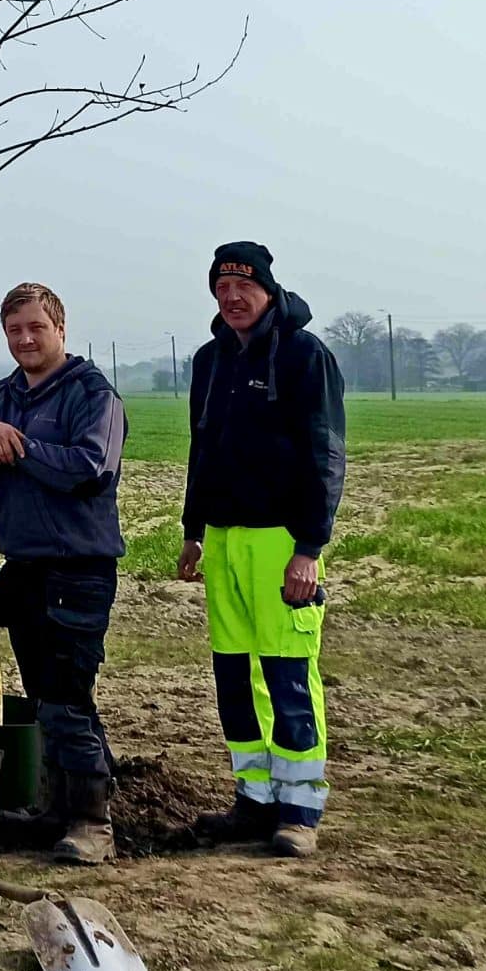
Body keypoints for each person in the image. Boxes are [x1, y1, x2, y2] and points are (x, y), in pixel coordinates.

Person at [176, 241, 347, 858]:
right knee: (235, 674)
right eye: (222, 289)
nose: (232, 298)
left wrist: (309, 547)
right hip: (222, 541)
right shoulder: (209, 360)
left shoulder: (305, 355)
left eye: (243, 287)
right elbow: (203, 448)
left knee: (287, 673)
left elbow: (325, 453)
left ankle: (300, 809)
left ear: (268, 290)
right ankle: (254, 799)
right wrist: (193, 530)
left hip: (281, 542)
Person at [0, 284, 128, 864]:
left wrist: (15, 446)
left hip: (76, 569)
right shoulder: (2, 396)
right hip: (23, 569)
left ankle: (91, 822)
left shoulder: (90, 394)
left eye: (35, 328)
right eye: (14, 331)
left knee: (66, 698)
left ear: (60, 329)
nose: (25, 340)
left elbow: (89, 469)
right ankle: (56, 806)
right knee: (47, 695)